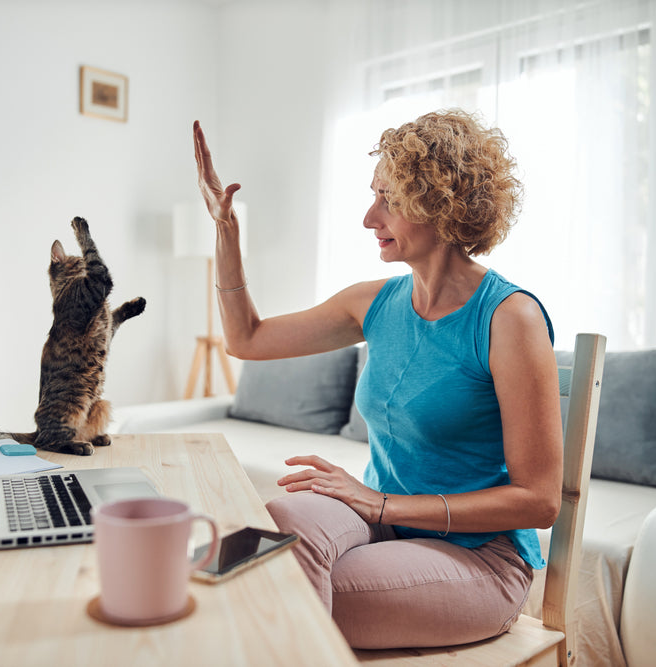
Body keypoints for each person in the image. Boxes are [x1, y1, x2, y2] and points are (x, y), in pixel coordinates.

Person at [192, 109, 564, 649]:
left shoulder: (510, 319)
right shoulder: (374, 303)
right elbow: (247, 339)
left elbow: (539, 500)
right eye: (375, 195)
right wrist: (225, 231)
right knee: (277, 525)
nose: (370, 217)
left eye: (388, 199)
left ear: (441, 203)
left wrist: (381, 504)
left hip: (479, 557)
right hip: (386, 522)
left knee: (276, 581)